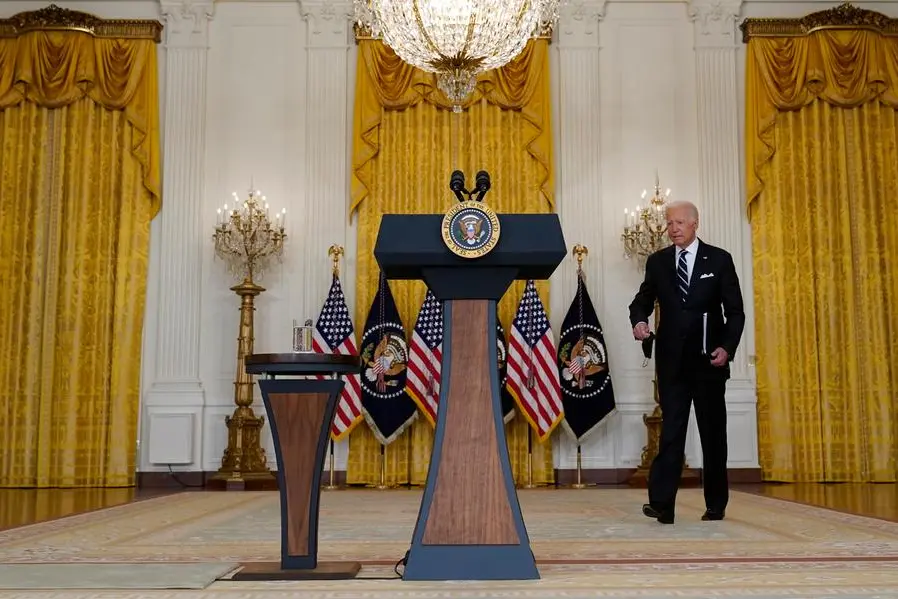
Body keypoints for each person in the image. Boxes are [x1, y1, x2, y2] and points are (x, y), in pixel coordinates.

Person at [628, 200, 745, 524]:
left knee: (712, 434)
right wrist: (639, 322)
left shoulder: (719, 260)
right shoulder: (659, 262)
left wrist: (727, 348)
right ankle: (662, 505)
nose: (673, 228)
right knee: (671, 433)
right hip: (672, 364)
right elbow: (641, 301)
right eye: (669, 223)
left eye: (679, 222)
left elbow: (735, 312)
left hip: (709, 362)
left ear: (695, 224)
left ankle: (716, 503)